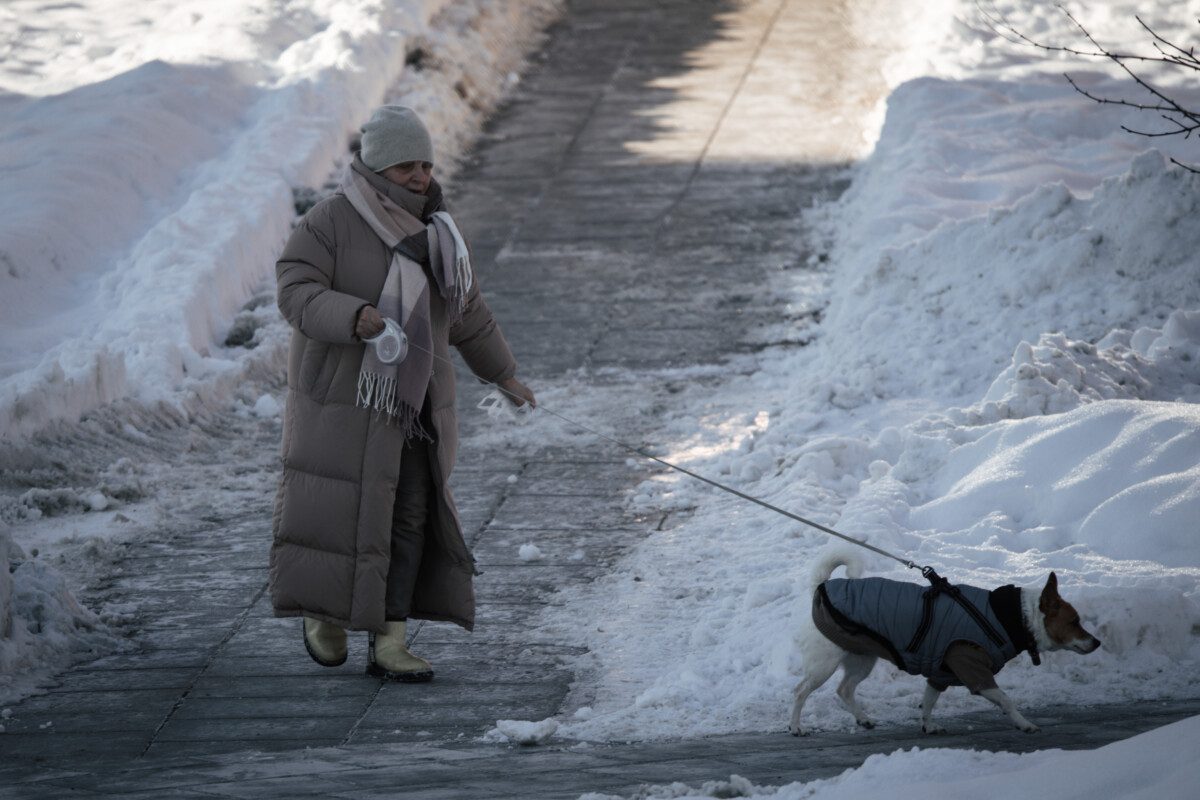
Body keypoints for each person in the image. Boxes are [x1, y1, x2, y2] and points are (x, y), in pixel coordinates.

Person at [270, 105, 535, 681]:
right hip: (344, 401)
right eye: (405, 166)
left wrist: (504, 374)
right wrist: (354, 314)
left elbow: (466, 312)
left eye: (425, 164)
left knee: (409, 515)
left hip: (414, 408)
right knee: (339, 515)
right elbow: (296, 291)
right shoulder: (329, 223)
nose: (420, 177)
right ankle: (324, 615)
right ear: (375, 168)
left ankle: (390, 639)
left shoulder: (439, 231)